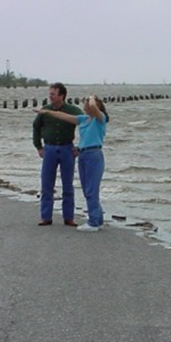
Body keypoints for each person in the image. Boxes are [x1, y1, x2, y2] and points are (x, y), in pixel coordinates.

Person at [35, 95, 109, 232]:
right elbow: (63, 116)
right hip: (83, 155)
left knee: (92, 190)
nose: (85, 106)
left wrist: (92, 97)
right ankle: (98, 220)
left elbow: (93, 106)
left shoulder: (100, 118)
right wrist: (47, 112)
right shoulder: (83, 119)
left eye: (86, 104)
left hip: (94, 156)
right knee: (88, 190)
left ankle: (93, 222)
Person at [32, 82, 83, 226]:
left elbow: (87, 125)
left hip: (67, 149)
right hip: (49, 149)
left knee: (68, 185)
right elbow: (36, 127)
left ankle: (69, 217)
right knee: (47, 184)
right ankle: (46, 217)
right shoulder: (45, 110)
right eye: (50, 94)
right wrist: (38, 147)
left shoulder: (73, 110)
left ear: (62, 96)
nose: (50, 97)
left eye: (53, 94)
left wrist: (80, 147)